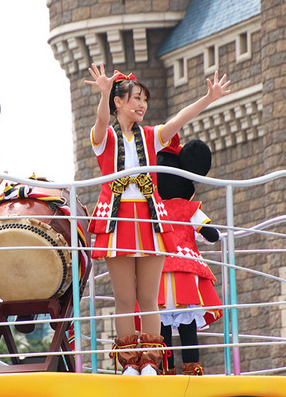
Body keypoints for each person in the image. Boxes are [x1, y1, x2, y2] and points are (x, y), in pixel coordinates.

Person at [85, 63, 230, 375]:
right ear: (119, 102)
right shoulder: (105, 139)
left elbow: (179, 120)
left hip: (150, 219)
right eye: (136, 98)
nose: (142, 104)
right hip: (117, 219)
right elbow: (99, 122)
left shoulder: (151, 137)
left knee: (150, 298)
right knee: (125, 299)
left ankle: (151, 361)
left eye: (144, 99)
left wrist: (209, 98)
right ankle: (127, 363)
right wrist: (104, 93)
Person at [156, 139, 223, 376]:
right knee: (187, 324)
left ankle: (166, 368)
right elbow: (211, 235)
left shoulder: (153, 209)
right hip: (186, 272)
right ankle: (192, 367)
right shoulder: (189, 209)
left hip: (158, 272)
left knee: (162, 327)